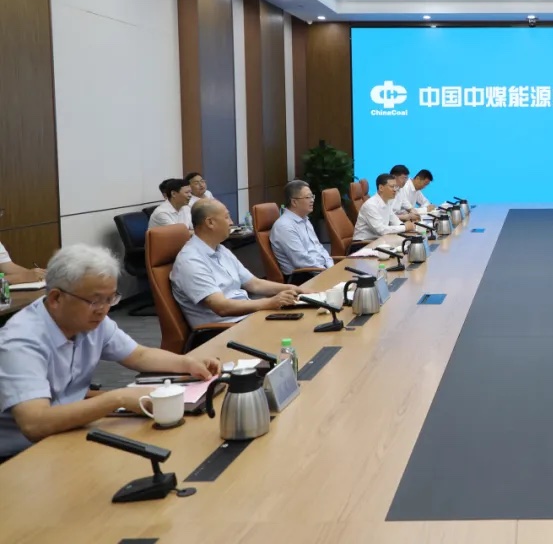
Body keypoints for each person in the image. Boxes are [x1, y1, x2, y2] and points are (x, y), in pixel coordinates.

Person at [0, 245, 219, 464]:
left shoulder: (90, 321)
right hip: (20, 456)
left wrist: (187, 363)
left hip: (71, 431)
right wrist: (117, 399)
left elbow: (138, 355)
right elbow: (35, 424)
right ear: (56, 298)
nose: (103, 309)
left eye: (110, 299)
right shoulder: (21, 342)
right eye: (95, 300)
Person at [171, 199, 301, 327]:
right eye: (227, 217)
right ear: (210, 222)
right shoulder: (190, 261)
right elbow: (222, 307)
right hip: (223, 330)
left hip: (246, 318)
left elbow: (254, 284)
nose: (231, 222)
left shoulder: (221, 249)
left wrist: (294, 288)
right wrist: (270, 302)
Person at [270, 180, 333, 278]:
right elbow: (301, 261)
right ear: (294, 202)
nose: (312, 200)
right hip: (303, 277)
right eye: (308, 197)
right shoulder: (284, 226)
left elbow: (319, 248)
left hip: (320, 271)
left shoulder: (305, 219)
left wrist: (331, 268)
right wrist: (328, 274)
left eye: (312, 196)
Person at [354, 173, 417, 243]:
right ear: (381, 188)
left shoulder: (387, 202)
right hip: (362, 243)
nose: (395, 190)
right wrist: (405, 227)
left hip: (378, 240)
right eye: (392, 186)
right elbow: (381, 230)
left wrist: (406, 226)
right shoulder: (371, 205)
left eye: (396, 186)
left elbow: (395, 221)